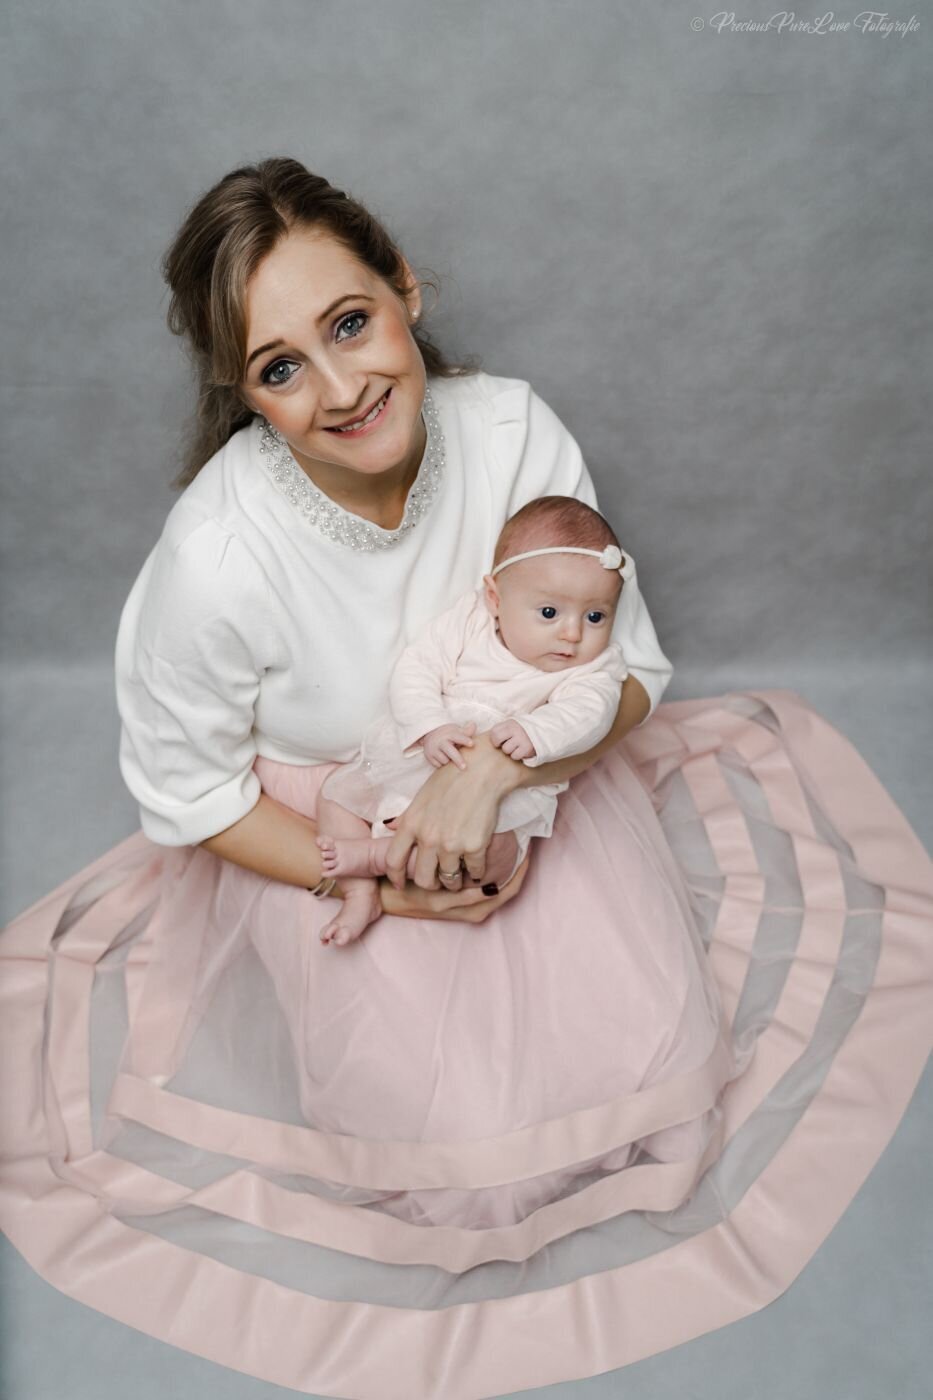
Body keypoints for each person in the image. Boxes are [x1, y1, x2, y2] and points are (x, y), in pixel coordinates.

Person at [1, 157, 931, 1400]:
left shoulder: (512, 431)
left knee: (658, 1060)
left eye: (351, 323)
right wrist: (382, 864)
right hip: (323, 821)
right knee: (439, 1163)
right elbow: (195, 798)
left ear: (405, 288)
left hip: (525, 770)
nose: (341, 388)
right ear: (243, 392)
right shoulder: (214, 559)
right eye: (281, 367)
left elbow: (630, 664)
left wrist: (492, 774)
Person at [314, 496, 633, 945]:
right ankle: (360, 893)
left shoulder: (591, 668)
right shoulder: (470, 621)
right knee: (336, 797)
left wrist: (536, 731)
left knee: (494, 856)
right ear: (495, 598)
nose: (573, 634)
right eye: (549, 613)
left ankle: (373, 857)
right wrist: (428, 724)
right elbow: (418, 667)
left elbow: (591, 713)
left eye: (596, 616)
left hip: (500, 794)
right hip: (434, 748)